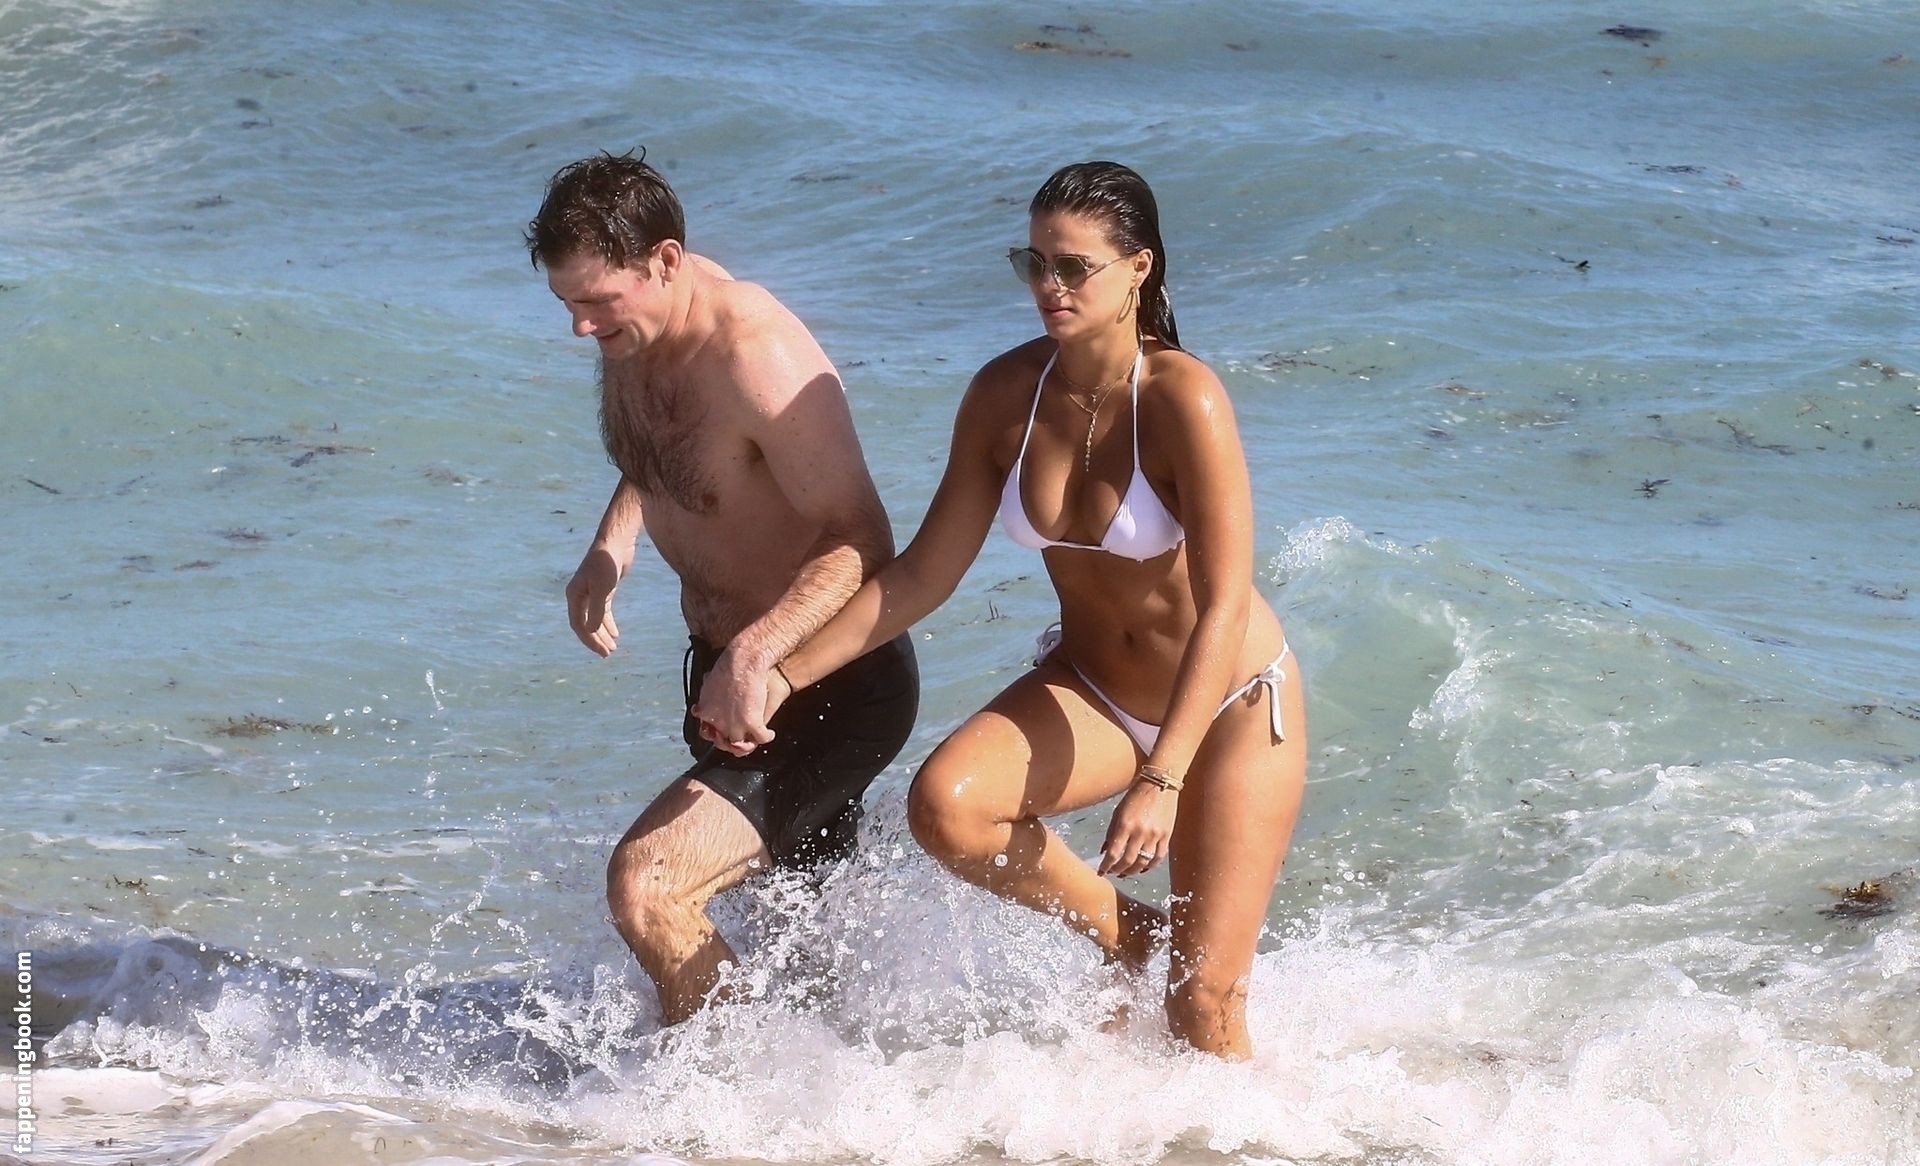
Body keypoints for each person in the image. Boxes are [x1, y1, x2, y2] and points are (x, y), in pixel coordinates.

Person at [701, 161, 1306, 1058]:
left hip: (1227, 703)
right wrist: (780, 676)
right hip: (1098, 687)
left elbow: (1223, 604)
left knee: (1204, 1007)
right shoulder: (1005, 395)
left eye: (1075, 267)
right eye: (1034, 264)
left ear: (1139, 268)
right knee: (948, 808)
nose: (1049, 286)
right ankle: (1132, 936)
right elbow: (923, 575)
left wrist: (1161, 779)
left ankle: (1236, 1115)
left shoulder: (1184, 398)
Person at [526, 150, 919, 1024]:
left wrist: (754, 653)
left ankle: (714, 1087)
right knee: (805, 948)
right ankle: (810, 1077)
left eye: (597, 302)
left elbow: (863, 537)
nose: (580, 328)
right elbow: (670, 450)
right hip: (727, 683)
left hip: (823, 685)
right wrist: (611, 543)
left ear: (665, 260)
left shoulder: (754, 354)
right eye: (566, 304)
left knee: (649, 888)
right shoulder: (639, 327)